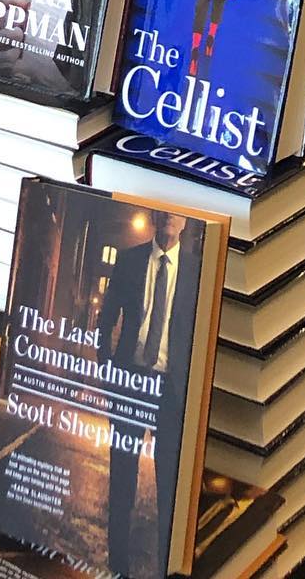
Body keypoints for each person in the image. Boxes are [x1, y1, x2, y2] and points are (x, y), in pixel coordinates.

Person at [101, 212, 198, 575]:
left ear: (185, 222)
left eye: (176, 215)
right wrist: (106, 368)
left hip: (170, 392)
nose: (168, 219)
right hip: (130, 380)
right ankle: (116, 567)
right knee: (122, 481)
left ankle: (166, 568)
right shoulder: (129, 260)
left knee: (168, 486)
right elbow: (106, 320)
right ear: (156, 217)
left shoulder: (195, 271)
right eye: (163, 212)